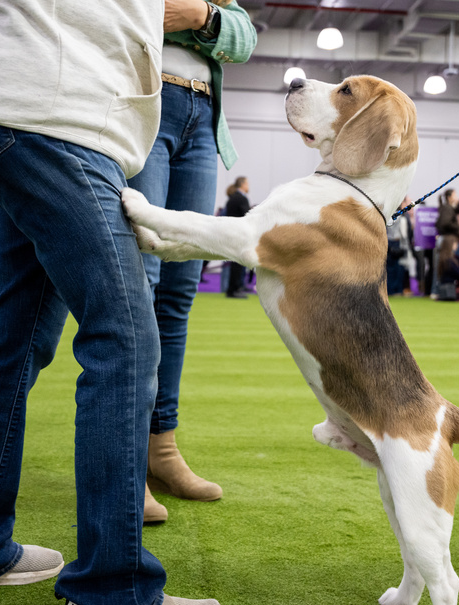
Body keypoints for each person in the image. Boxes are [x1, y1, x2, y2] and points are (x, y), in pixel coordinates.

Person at [0, 0, 225, 605]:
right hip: (53, 109)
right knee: (128, 336)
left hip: (19, 102)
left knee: (18, 335)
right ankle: (116, 601)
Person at [127, 0, 255, 522]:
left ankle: (163, 449)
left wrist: (201, 14)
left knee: (179, 290)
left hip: (203, 117)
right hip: (144, 102)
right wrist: (204, 21)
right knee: (142, 284)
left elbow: (244, 38)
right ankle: (128, 462)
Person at [223, 175, 251, 298]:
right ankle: (234, 289)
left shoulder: (233, 197)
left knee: (236, 262)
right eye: (247, 183)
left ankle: (236, 287)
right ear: (243, 184)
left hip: (232, 232)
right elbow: (247, 215)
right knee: (237, 263)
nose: (248, 186)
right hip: (239, 234)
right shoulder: (241, 198)